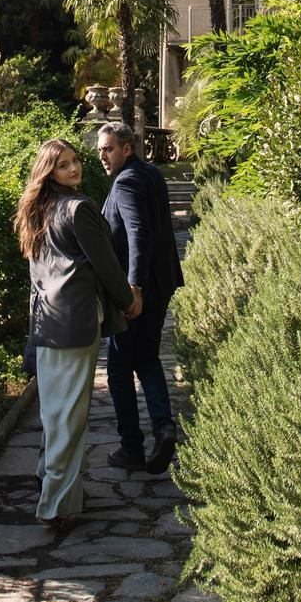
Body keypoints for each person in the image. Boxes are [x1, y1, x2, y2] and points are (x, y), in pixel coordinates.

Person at [15, 137, 139, 525]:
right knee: (69, 415)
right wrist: (128, 299)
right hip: (75, 322)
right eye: (63, 164)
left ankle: (50, 481)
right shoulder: (78, 208)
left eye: (74, 161)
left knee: (56, 412)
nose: (74, 168)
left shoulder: (37, 209)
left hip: (46, 321)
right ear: (48, 171)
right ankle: (56, 504)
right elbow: (106, 264)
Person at [97, 120, 184, 475]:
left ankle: (131, 447)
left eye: (108, 149)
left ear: (127, 148)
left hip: (138, 292)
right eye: (100, 150)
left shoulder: (127, 181)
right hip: (161, 284)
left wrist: (134, 288)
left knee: (119, 367)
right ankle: (163, 427)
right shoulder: (151, 174)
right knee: (147, 357)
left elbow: (138, 232)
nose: (103, 156)